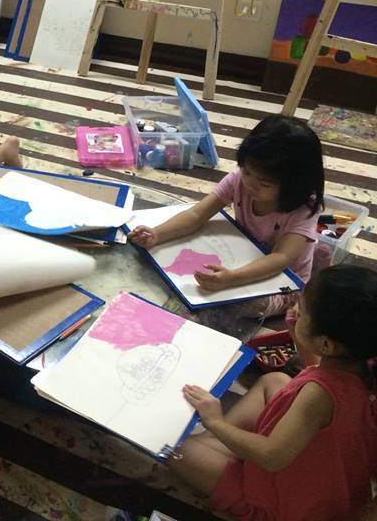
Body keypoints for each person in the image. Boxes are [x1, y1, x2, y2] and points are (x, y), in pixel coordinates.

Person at [169, 264, 377, 521]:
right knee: (275, 380)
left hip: (285, 503)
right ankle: (226, 446)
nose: (296, 309)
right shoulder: (363, 367)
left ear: (325, 344)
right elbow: (321, 373)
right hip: (321, 475)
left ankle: (223, 445)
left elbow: (271, 456)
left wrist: (215, 421)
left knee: (176, 450)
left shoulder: (318, 395)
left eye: (304, 312)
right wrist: (299, 335)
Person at [128, 115, 324, 314]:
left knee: (243, 306)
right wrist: (157, 234)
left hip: (284, 280)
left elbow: (280, 258)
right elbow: (197, 214)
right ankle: (319, 255)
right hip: (243, 252)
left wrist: (233, 278)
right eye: (246, 172)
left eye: (265, 183)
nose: (250, 184)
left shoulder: (304, 209)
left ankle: (316, 262)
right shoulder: (239, 180)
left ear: (296, 184)